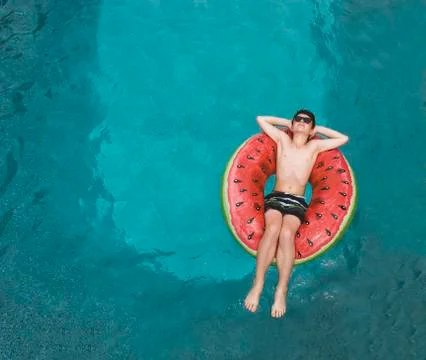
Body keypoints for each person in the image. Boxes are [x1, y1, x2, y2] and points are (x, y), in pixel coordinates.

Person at [243, 109, 349, 318]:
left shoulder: (315, 146)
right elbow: (261, 119)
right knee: (273, 228)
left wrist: (317, 130)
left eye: (306, 121)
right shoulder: (282, 139)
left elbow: (343, 138)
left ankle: (281, 290)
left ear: (311, 128)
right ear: (292, 125)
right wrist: (288, 124)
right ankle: (258, 284)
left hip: (297, 201)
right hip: (276, 196)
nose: (301, 122)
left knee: (286, 234)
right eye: (297, 119)